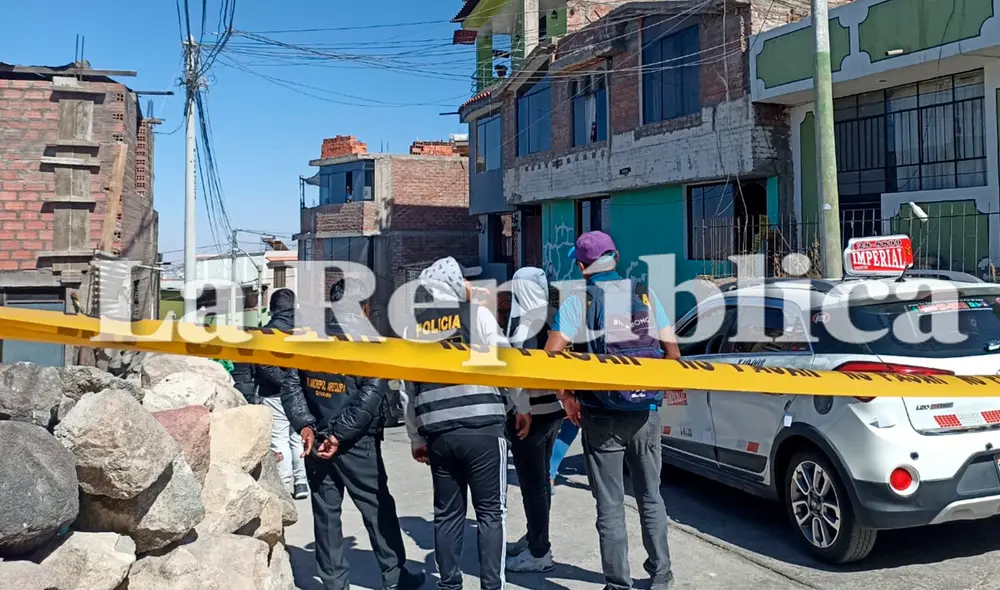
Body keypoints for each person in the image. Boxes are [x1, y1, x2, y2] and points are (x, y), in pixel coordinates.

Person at [544, 231, 680, 590]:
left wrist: (567, 397)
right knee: (651, 496)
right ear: (615, 257)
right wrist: (652, 391)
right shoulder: (644, 295)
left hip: (600, 414)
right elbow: (673, 354)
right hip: (645, 411)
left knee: (610, 505)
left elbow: (551, 355)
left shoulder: (581, 301)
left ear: (582, 265)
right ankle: (661, 575)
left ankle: (618, 584)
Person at [280, 277, 424, 590]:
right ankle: (395, 578)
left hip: (316, 439)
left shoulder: (309, 338)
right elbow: (370, 396)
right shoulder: (369, 341)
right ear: (365, 307)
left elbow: (290, 386)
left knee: (326, 514)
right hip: (353, 443)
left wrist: (306, 426)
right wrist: (338, 436)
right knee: (377, 509)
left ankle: (334, 582)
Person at [403, 256, 531, 590]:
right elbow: (508, 364)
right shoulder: (477, 316)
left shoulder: (414, 329)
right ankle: (491, 586)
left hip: (439, 434)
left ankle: (449, 585)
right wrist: (521, 405)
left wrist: (417, 437)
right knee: (491, 513)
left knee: (447, 513)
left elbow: (408, 390)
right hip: (483, 430)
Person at [503, 267, 565, 573]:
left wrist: (520, 407)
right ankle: (535, 536)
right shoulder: (554, 315)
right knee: (542, 481)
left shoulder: (522, 320)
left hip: (529, 415)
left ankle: (540, 552)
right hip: (555, 410)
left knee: (533, 485)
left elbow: (519, 372)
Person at [255, 288, 309, 500]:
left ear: (272, 309)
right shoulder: (305, 330)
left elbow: (265, 366)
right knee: (297, 438)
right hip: (301, 392)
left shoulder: (267, 332)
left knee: (279, 440)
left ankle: (284, 487)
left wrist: (286, 384)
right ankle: (301, 482)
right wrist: (296, 385)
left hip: (274, 393)